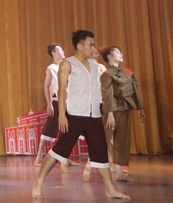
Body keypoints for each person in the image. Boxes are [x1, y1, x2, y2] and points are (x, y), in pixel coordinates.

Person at [32, 30, 131, 201]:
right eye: (90, 44)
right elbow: (61, 90)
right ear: (79, 46)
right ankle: (38, 181)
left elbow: (105, 85)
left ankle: (110, 189)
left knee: (101, 153)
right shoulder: (68, 63)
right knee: (59, 151)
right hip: (75, 115)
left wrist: (109, 112)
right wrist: (62, 115)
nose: (94, 48)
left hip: (94, 115)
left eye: (94, 44)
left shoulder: (95, 65)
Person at [100, 45, 146, 181]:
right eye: (117, 52)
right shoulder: (107, 74)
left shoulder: (128, 72)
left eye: (120, 52)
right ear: (110, 56)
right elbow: (107, 95)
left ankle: (119, 172)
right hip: (112, 109)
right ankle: (93, 167)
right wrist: (109, 113)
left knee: (122, 139)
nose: (121, 54)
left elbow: (135, 90)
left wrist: (141, 108)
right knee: (104, 139)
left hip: (125, 108)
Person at [34, 43, 69, 171]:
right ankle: (39, 156)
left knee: (68, 129)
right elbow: (46, 85)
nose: (63, 52)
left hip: (69, 101)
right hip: (56, 101)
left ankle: (65, 159)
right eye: (60, 50)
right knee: (50, 127)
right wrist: (49, 103)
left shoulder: (67, 66)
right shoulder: (51, 68)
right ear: (53, 52)